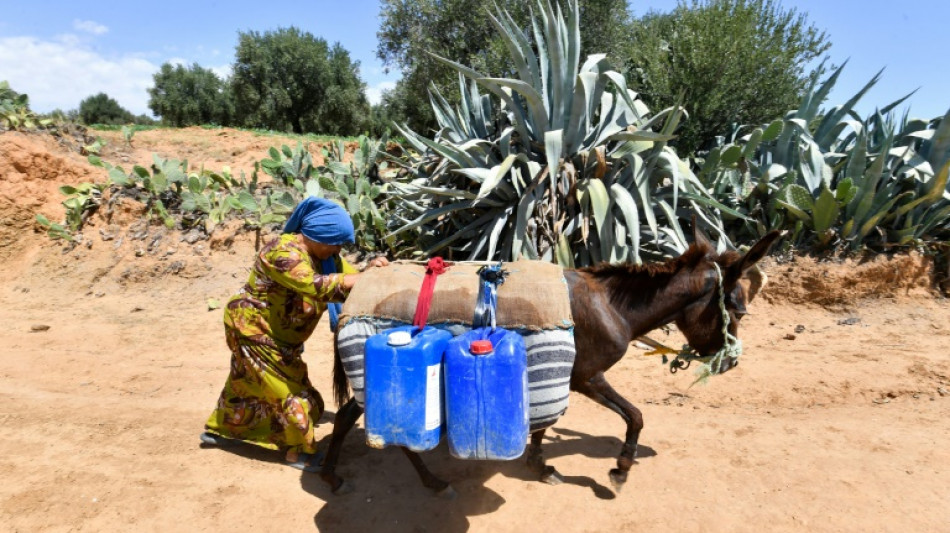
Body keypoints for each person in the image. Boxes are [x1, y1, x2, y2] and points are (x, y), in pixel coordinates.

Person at [200, 197, 389, 471]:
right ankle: (297, 452)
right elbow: (316, 286)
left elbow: (351, 277)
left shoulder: (326, 258)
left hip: (280, 337)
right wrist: (363, 279)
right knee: (294, 396)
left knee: (245, 384)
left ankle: (220, 430)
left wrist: (372, 271)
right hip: (254, 331)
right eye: (335, 243)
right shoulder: (282, 253)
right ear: (318, 237)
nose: (338, 249)